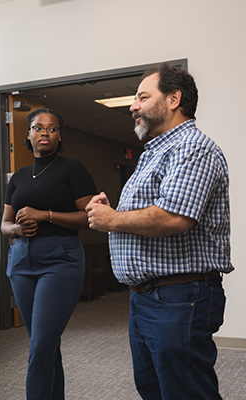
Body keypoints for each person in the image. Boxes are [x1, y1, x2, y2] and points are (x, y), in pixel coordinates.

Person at [86, 63, 233, 400]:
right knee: (154, 389)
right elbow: (153, 209)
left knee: (186, 392)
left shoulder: (193, 148)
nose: (133, 105)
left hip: (179, 298)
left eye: (142, 96)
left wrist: (112, 220)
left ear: (173, 99)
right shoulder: (155, 151)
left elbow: (175, 217)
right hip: (147, 297)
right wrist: (115, 211)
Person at [1, 108, 97, 400]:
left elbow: (91, 217)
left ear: (59, 136)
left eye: (52, 129)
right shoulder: (17, 177)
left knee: (41, 345)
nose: (45, 133)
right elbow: (4, 224)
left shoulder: (73, 169)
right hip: (21, 261)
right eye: (38, 128)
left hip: (60, 260)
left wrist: (45, 215)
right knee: (45, 344)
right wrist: (18, 229)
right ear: (28, 135)